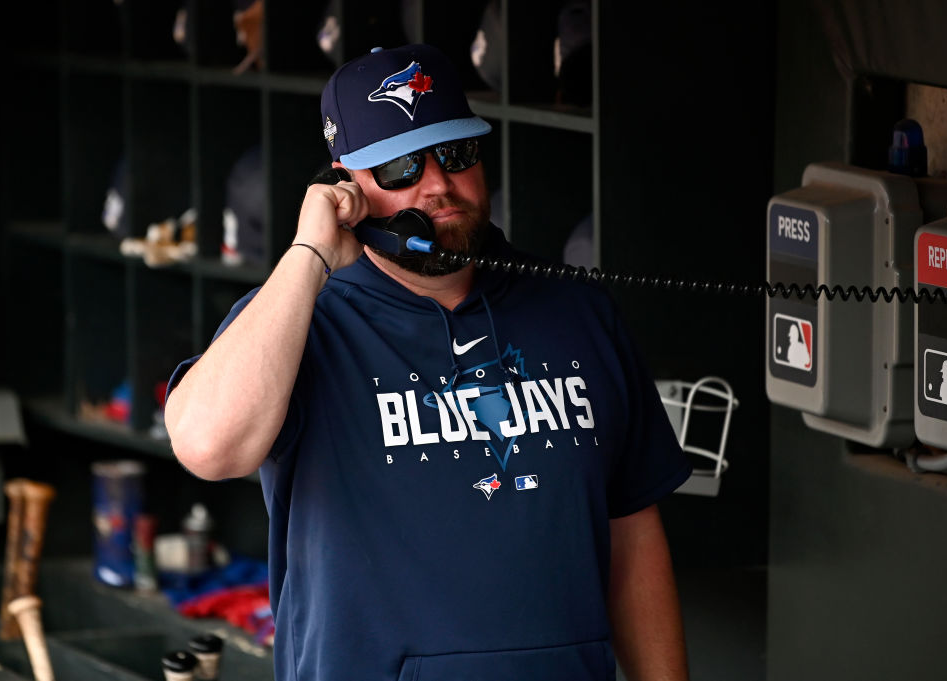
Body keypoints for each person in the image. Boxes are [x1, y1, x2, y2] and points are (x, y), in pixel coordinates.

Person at [165, 43, 692, 681]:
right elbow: (207, 447)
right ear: (346, 184)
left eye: (457, 154)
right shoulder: (295, 319)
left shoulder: (576, 311)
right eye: (401, 167)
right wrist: (310, 251)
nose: (438, 183)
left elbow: (632, 535)